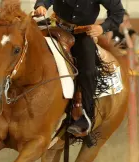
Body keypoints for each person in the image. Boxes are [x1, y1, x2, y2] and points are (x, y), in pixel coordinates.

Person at [34, 0, 125, 135]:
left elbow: (118, 13)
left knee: (88, 71)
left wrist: (102, 27)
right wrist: (41, 5)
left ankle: (86, 116)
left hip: (82, 34)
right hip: (55, 26)